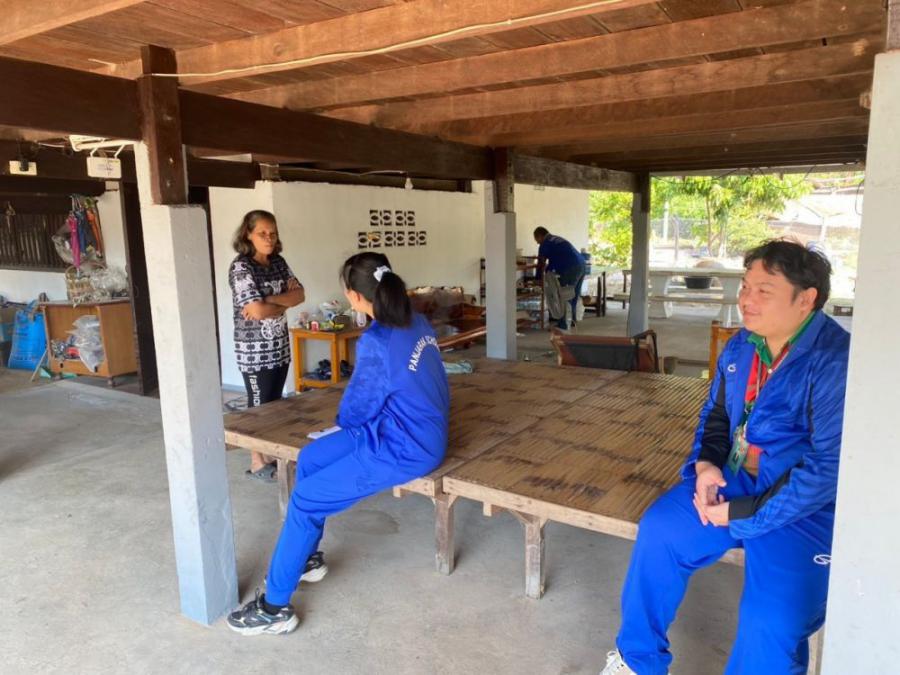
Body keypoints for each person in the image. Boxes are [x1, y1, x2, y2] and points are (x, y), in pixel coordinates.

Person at [600, 240, 850, 675]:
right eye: (745, 286)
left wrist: (741, 513)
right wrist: (706, 465)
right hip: (734, 480)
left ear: (806, 299)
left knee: (772, 619)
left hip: (804, 505)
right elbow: (716, 416)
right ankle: (636, 662)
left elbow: (826, 470)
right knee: (660, 531)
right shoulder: (742, 346)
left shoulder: (835, 361)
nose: (746, 299)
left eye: (764, 290)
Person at [227, 252, 450, 635]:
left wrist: (345, 429)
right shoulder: (415, 320)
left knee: (305, 500)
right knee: (311, 458)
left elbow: (359, 407)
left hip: (407, 445)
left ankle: (274, 607)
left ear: (354, 296)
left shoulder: (378, 339)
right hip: (404, 427)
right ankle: (306, 558)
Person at [229, 210, 305, 482]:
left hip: (279, 346)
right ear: (248, 234)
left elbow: (300, 295)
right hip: (254, 351)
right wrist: (282, 301)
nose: (269, 238)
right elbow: (257, 311)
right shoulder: (241, 268)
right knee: (258, 406)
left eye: (272, 233)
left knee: (275, 405)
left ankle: (270, 455)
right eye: (262, 233)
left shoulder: (278, 262)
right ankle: (257, 461)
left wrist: (269, 300)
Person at [533, 226, 586, 329]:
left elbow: (541, 263)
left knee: (565, 296)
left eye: (537, 240)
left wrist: (537, 279)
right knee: (574, 295)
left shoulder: (545, 244)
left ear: (539, 236)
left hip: (570, 268)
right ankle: (572, 320)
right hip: (581, 265)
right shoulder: (557, 239)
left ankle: (564, 324)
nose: (537, 243)